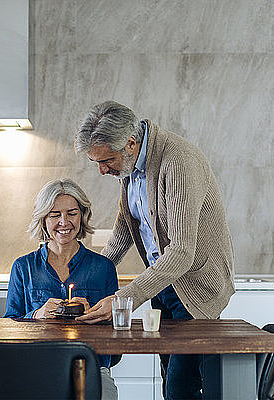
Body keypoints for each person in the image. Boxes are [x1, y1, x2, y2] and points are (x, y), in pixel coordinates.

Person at [75, 101, 235, 399]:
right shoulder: (132, 167)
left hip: (195, 286)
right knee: (169, 379)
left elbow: (182, 252)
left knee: (180, 387)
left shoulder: (178, 161)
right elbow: (125, 228)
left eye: (106, 160)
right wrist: (89, 276)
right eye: (95, 161)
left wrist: (123, 299)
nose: (101, 170)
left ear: (130, 144)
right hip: (163, 284)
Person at [4, 178, 119, 400]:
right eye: (55, 215)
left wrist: (93, 315)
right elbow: (10, 325)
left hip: (92, 368)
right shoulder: (23, 267)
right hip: (37, 369)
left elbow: (115, 339)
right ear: (44, 219)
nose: (64, 222)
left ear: (82, 216)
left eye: (72, 213)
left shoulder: (103, 268)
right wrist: (37, 314)